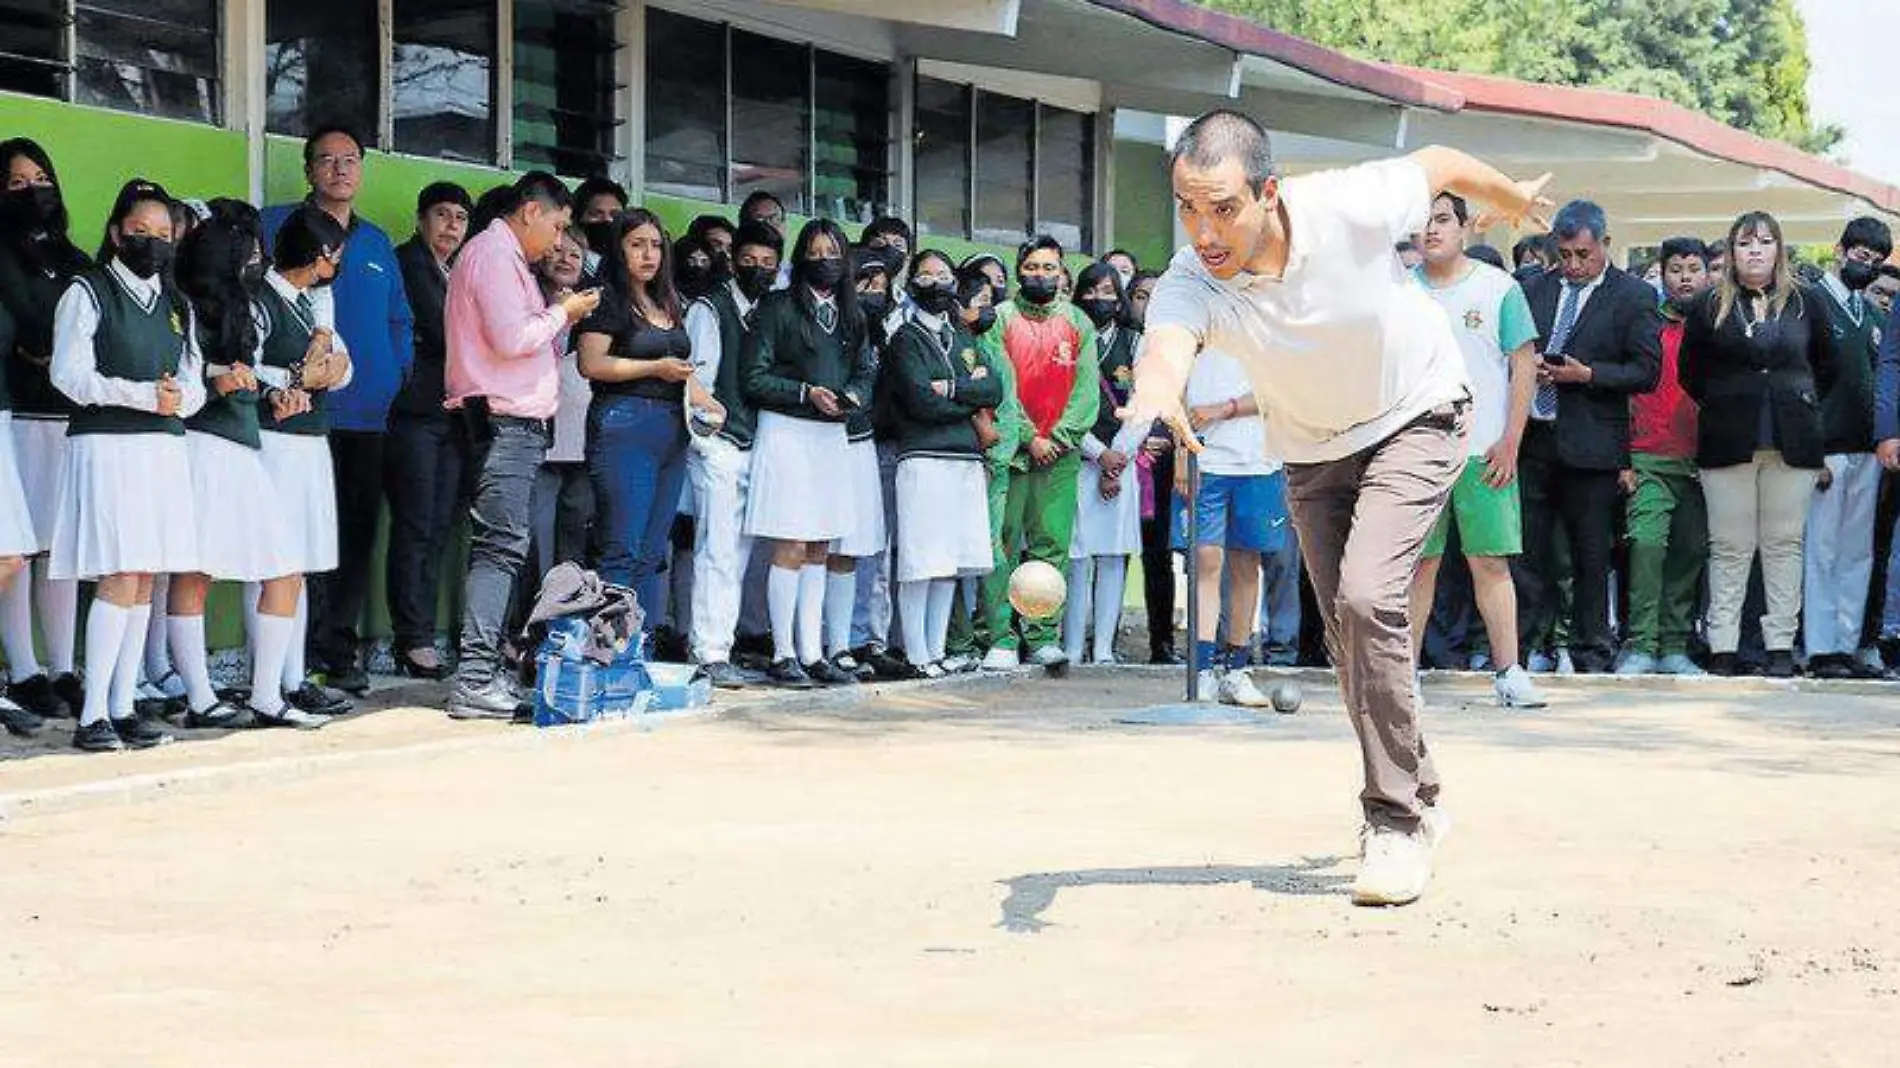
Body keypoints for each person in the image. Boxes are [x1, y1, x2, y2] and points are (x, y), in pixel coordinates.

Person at [1120, 109, 1549, 907]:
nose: (1204, 231)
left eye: (1222, 208)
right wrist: (1155, 392)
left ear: (1269, 193)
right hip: (1313, 447)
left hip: (1417, 415)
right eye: (1186, 207)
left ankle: (1391, 823)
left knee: (1368, 598)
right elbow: (1166, 347)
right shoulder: (1191, 278)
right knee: (1350, 632)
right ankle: (1421, 791)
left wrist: (1513, 197)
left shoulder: (1348, 203)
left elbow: (1443, 157)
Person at [48, 179, 205, 750]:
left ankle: (122, 704)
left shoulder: (175, 303)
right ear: (116, 233)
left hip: (162, 449)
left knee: (143, 579)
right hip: (109, 446)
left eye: (164, 234)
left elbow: (193, 386)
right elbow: (68, 375)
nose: (153, 243)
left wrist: (177, 402)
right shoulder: (86, 291)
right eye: (141, 232)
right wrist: (142, 395)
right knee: (119, 574)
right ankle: (92, 715)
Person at [262, 125, 415, 696]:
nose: (339, 170)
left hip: (366, 416)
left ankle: (337, 649)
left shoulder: (375, 243)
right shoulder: (275, 225)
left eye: (349, 160)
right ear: (308, 170)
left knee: (351, 537)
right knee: (293, 539)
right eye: (326, 160)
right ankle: (290, 659)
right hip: (293, 414)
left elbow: (400, 319)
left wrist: (395, 372)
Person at [443, 172, 601, 719]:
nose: (559, 241)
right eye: (558, 226)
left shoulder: (509, 261)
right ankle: (475, 678)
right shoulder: (492, 255)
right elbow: (512, 340)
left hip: (515, 426)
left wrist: (556, 310)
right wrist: (565, 312)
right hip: (501, 424)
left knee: (502, 550)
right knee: (499, 550)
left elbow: (532, 343)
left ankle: (485, 674)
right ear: (531, 211)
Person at [1679, 211, 1835, 679]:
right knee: (1730, 545)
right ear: (1731, 252)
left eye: (1765, 242)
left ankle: (1781, 646)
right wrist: (1731, 401)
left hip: (1794, 439)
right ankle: (1723, 645)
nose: (1755, 251)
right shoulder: (1709, 304)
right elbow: (1691, 372)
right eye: (1746, 243)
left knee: (1784, 544)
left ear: (1779, 249)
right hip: (1729, 438)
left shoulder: (1808, 302)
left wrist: (1797, 400)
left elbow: (1828, 366)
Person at [1407, 192, 1545, 708]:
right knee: (1418, 567)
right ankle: (1407, 677)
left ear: (1465, 227)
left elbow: (1524, 363)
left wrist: (1511, 440)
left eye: (1443, 220)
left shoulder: (1498, 288)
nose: (1432, 231)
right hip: (1417, 453)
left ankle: (1509, 672)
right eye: (1423, 223)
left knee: (1490, 563)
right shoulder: (1400, 292)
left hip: (1483, 450)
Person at [1516, 200, 1664, 674]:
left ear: (1604, 244)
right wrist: (1529, 367)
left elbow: (1646, 371)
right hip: (1533, 440)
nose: (1575, 265)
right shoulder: (1532, 289)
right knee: (1527, 552)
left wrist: (1588, 375)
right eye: (1565, 255)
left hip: (1593, 444)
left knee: (1590, 554)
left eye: (1583, 254)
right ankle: (1524, 647)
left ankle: (1591, 650)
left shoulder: (1633, 295)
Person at [741, 218, 875, 687]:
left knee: (821, 544)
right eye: (815, 253)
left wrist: (853, 397)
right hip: (788, 431)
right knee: (792, 542)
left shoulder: (853, 314)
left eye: (833, 252)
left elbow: (864, 370)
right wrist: (805, 392)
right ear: (801, 260)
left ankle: (814, 653)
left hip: (830, 435)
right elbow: (753, 377)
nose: (825, 261)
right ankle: (782, 653)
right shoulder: (777, 308)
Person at [579, 209, 719, 648]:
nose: (649, 253)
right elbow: (592, 363)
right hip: (624, 425)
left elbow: (680, 367)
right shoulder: (607, 298)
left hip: (671, 430)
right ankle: (604, 653)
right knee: (621, 546)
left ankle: (634, 650)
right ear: (618, 248)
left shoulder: (667, 301)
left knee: (652, 551)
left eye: (656, 244)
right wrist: (655, 367)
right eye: (637, 243)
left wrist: (708, 402)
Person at [251, 207, 358, 724]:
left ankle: (293, 680)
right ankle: (266, 686)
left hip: (308, 442)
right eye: (334, 255)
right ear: (320, 257)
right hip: (272, 444)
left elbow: (342, 366)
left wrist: (319, 373)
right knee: (276, 565)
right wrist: (301, 374)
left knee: (300, 564)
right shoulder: (260, 299)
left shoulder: (313, 302)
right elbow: (247, 366)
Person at [880, 250, 1006, 676]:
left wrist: (950, 388)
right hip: (924, 456)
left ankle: (936, 651)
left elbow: (994, 388)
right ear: (913, 283)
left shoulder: (964, 338)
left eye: (943, 274)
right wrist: (966, 402)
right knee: (921, 560)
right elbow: (920, 402)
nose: (935, 282)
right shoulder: (905, 338)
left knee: (949, 562)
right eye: (926, 274)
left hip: (964, 458)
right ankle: (916, 653)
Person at [976, 236, 1099, 670]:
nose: (1040, 275)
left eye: (1049, 268)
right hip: (1010, 452)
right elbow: (998, 384)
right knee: (1001, 545)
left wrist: (1058, 437)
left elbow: (1086, 394)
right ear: (1018, 271)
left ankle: (1043, 635)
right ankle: (1001, 638)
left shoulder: (1079, 323)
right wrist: (1029, 436)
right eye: (1032, 267)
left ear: (1062, 273)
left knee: (1052, 547)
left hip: (1060, 457)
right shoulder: (1001, 320)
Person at [0, 137, 90, 721]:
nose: (33, 190)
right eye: (15, 183)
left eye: (40, 178)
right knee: (17, 549)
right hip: (17, 415)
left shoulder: (74, 257)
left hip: (70, 418)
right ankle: (25, 669)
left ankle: (63, 668)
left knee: (61, 551)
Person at [683, 221, 780, 688]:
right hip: (719, 446)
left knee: (741, 555)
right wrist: (706, 445)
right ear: (732, 260)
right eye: (750, 260)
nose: (758, 269)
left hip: (757, 446)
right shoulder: (710, 307)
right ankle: (710, 650)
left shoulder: (770, 310)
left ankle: (725, 641)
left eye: (768, 264)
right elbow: (694, 381)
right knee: (717, 551)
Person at [385, 181, 471, 680]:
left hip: (454, 416)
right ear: (422, 219)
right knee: (416, 525)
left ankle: (424, 632)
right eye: (442, 215)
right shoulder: (408, 263)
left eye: (460, 217)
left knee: (439, 527)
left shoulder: (461, 269)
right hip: (414, 413)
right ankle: (411, 638)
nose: (451, 226)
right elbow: (446, 330)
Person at [1617, 237, 1712, 676]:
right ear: (1662, 272)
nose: (1686, 277)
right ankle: (1640, 644)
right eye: (1677, 269)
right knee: (1647, 546)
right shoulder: (1643, 323)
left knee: (1690, 552)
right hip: (1647, 457)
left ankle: (1675, 645)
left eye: (1695, 268)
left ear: (1709, 274)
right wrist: (1623, 458)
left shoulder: (1716, 325)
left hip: (1702, 461)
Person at [1802, 218, 1891, 679]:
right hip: (1826, 450)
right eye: (1861, 255)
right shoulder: (1812, 303)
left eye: (1876, 261)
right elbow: (1804, 381)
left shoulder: (1873, 314)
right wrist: (1810, 450)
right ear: (1839, 251)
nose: (1867, 265)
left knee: (1858, 551)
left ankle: (1846, 642)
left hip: (1866, 449)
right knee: (1822, 547)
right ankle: (1819, 648)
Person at [1170, 347, 1280, 706]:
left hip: (1258, 460)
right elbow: (1176, 387)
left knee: (1247, 564)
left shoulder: (1271, 318)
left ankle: (1236, 669)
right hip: (1206, 457)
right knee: (1206, 560)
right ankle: (1202, 671)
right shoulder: (1197, 314)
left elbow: (1280, 392)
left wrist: (1224, 409)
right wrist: (1181, 448)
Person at [1062, 261, 1141, 666]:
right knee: (1077, 557)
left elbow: (1145, 405)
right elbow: (1062, 405)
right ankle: (1072, 646)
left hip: (1122, 462)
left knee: (1112, 556)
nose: (1099, 299)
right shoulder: (1070, 338)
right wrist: (1096, 453)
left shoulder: (1136, 342)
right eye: (1091, 291)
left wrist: (1117, 461)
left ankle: (1105, 648)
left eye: (1109, 292)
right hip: (1079, 459)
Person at [820, 249, 891, 680]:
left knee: (856, 548)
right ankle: (809, 643)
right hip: (820, 438)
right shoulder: (827, 321)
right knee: (815, 546)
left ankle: (846, 642)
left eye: (881, 286)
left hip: (864, 440)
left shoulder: (883, 331)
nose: (873, 293)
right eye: (865, 283)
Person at [525, 227, 594, 618]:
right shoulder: (526, 300)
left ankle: (568, 628)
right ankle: (526, 628)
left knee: (574, 541)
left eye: (576, 254)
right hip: (536, 435)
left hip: (583, 439)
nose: (567, 259)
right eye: (559, 251)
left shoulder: (597, 307)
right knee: (535, 538)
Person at [573, 175, 629, 282]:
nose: (607, 220)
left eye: (615, 214)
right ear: (578, 217)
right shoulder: (568, 264)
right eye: (596, 214)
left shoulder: (628, 264)